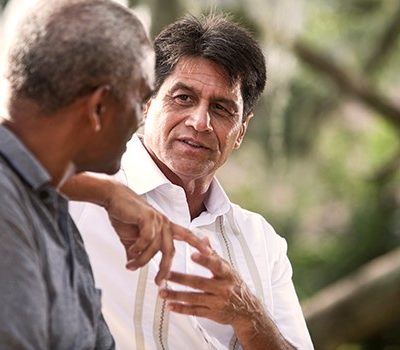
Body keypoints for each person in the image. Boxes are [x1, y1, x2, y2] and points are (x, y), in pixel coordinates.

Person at [68, 14, 314, 349]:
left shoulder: (261, 241)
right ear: (145, 101)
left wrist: (248, 315)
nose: (200, 122)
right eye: (183, 98)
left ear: (241, 131)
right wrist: (106, 192)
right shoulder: (79, 191)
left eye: (222, 108)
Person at [0, 1, 209, 348]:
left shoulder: (50, 207)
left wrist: (107, 193)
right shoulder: (8, 216)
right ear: (99, 107)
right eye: (140, 97)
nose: (141, 118)